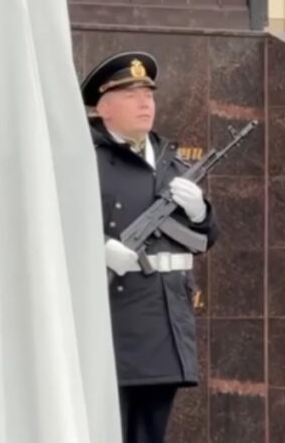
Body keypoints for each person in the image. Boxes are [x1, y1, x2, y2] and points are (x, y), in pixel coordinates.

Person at [81, 51, 220, 443]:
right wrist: (98, 249)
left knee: (151, 432)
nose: (145, 104)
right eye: (131, 96)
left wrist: (199, 211)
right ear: (104, 108)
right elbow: (55, 222)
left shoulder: (169, 161)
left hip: (166, 320)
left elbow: (207, 237)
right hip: (115, 320)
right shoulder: (86, 160)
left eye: (149, 95)